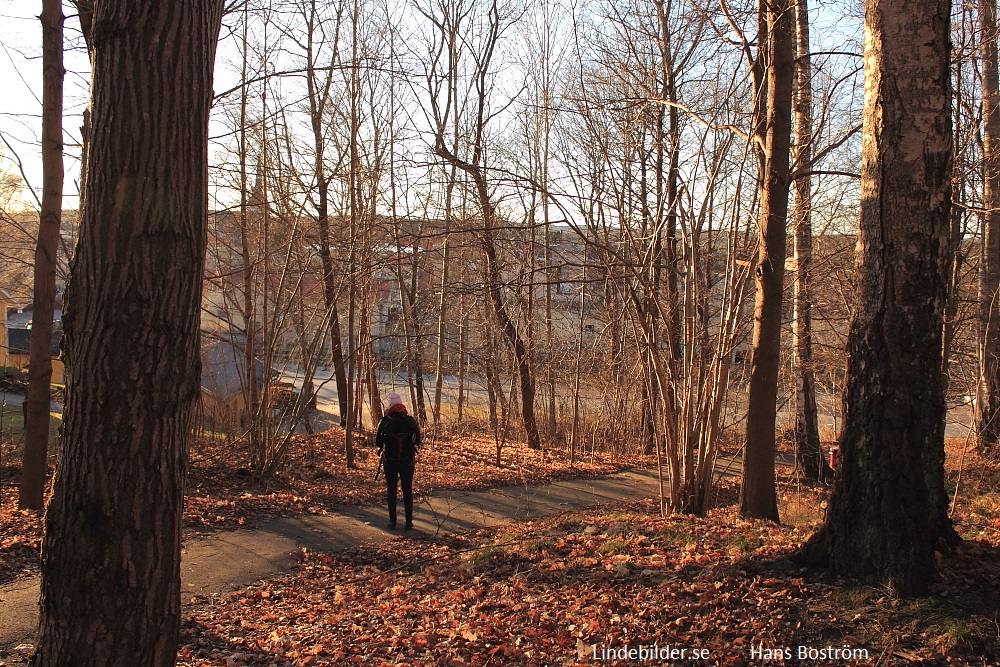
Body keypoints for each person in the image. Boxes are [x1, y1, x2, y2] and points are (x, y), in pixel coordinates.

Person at [374, 391, 421, 530]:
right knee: (407, 490)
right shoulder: (410, 421)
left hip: (390, 461)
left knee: (391, 490)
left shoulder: (384, 422)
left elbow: (377, 442)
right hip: (408, 461)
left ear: (389, 405)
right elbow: (417, 441)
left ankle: (392, 522)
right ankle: (409, 522)